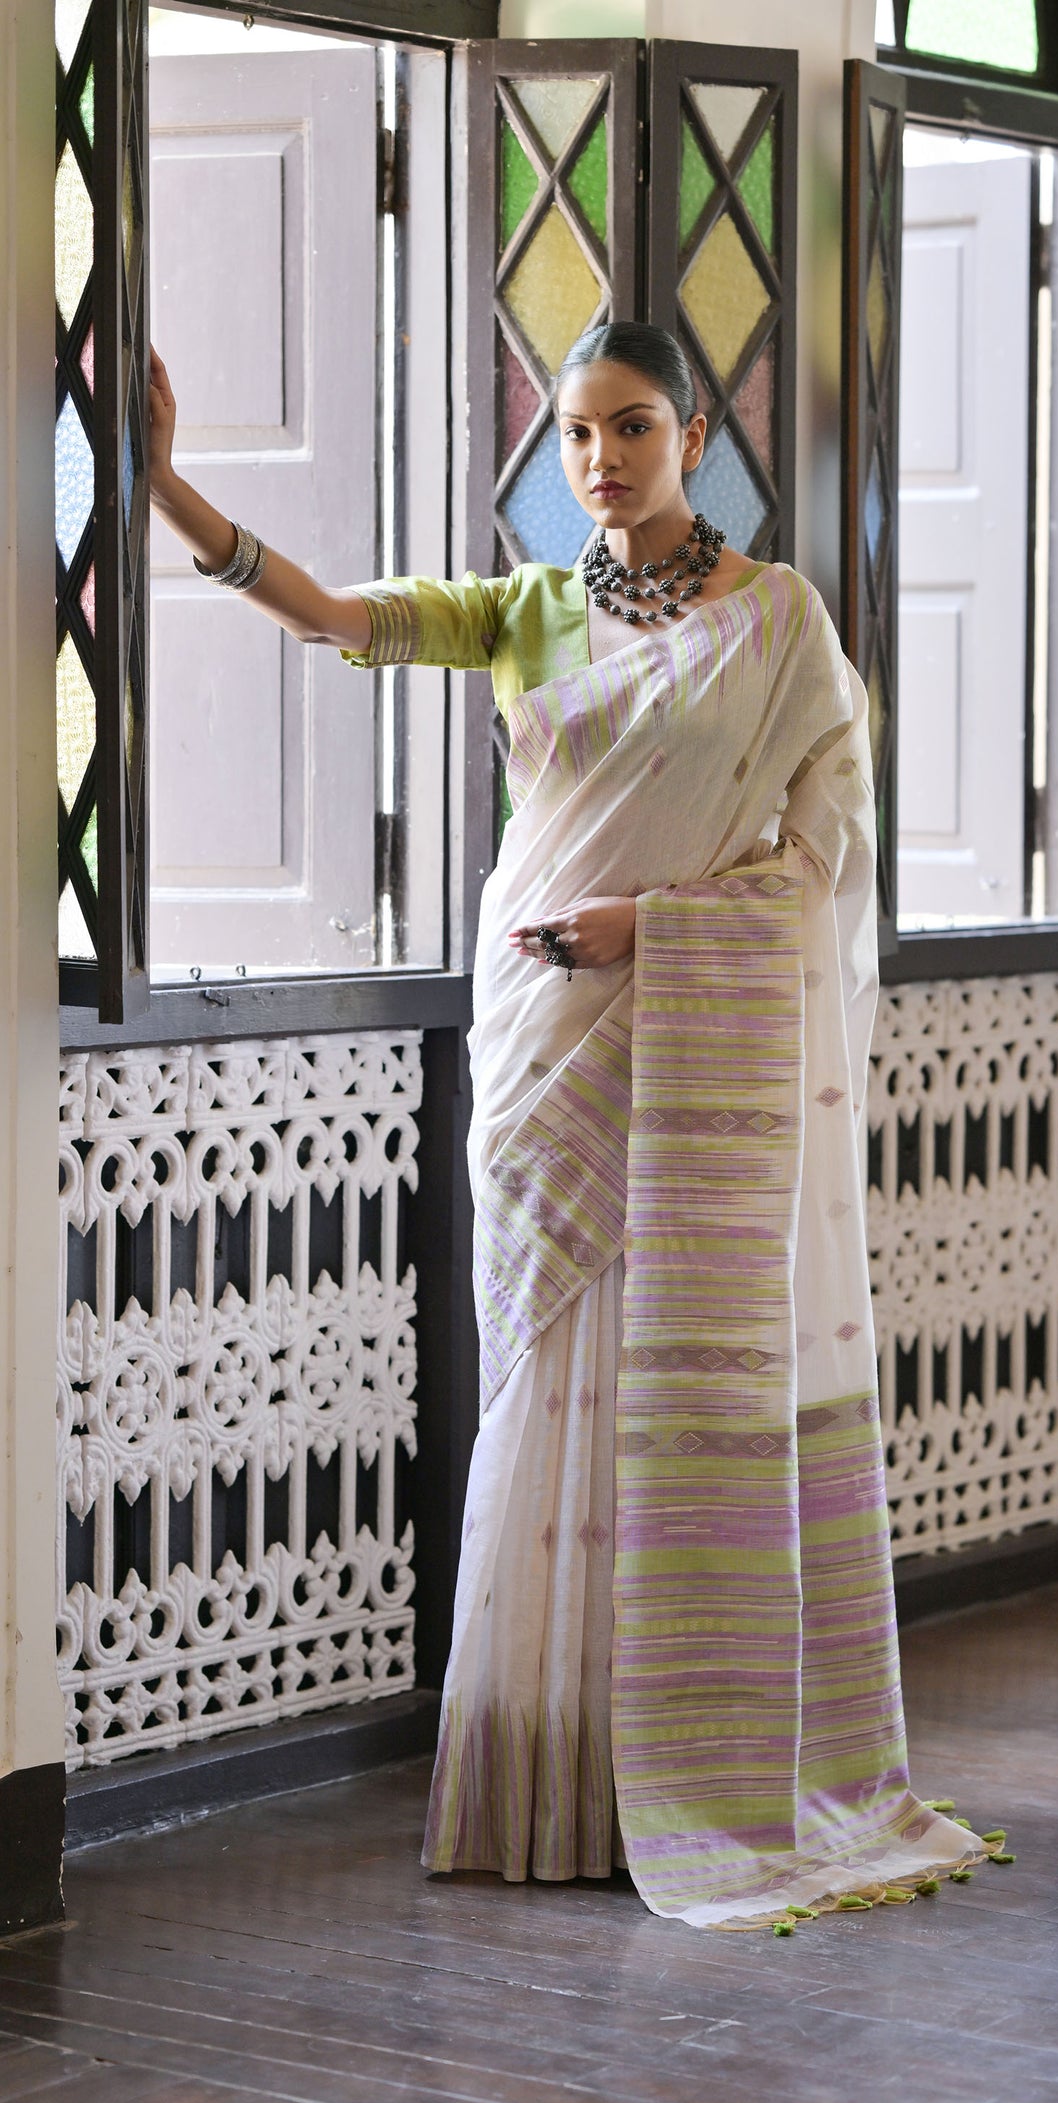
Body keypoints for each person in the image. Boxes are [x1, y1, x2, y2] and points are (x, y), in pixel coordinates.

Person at [147, 321, 990, 1929]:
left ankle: (688, 1755)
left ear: (695, 438)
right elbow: (331, 617)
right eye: (575, 433)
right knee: (544, 1371)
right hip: (538, 1031)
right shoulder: (524, 609)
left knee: (674, 1371)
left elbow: (820, 863)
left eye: (632, 426)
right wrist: (165, 487)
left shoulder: (777, 622)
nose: (600, 459)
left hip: (677, 1019)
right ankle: (545, 1771)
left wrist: (650, 929)